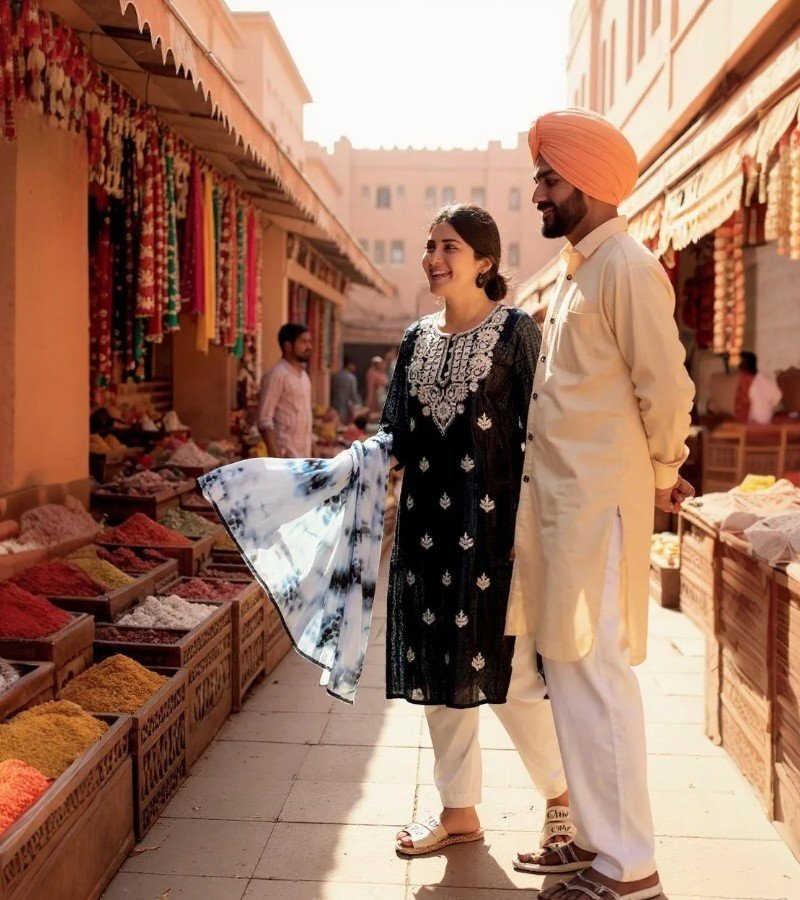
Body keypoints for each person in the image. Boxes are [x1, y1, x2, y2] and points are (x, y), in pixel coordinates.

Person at [510, 109, 695, 900]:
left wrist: (662, 472)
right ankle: (592, 838)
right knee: (571, 678)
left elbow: (669, 385)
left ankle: (633, 868)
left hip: (599, 512)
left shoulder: (625, 265)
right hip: (562, 510)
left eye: (547, 181)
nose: (538, 195)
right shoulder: (582, 269)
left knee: (599, 679)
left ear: (583, 182)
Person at [381, 204, 572, 858]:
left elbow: (545, 432)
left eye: (449, 246)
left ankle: (561, 801)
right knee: (440, 676)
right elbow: (398, 433)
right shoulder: (414, 340)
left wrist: (539, 525)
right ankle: (458, 811)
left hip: (499, 535)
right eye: (429, 244)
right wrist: (351, 467)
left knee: (513, 679)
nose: (434, 257)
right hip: (426, 530)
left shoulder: (518, 334)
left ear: (484, 261)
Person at [257, 323, 313, 459]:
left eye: (309, 341)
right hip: (285, 457)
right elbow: (264, 421)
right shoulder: (277, 375)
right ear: (288, 346)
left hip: (303, 457)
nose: (309, 346)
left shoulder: (304, 376)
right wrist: (276, 456)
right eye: (303, 342)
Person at [737, 351, 782, 424]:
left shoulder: (747, 379)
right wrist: (770, 406)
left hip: (757, 417)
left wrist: (769, 406)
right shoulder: (762, 377)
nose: (738, 365)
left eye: (741, 362)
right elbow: (778, 395)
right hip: (765, 416)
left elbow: (778, 395)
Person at [330, 357, 363, 423]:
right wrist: (359, 403)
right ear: (349, 365)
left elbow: (332, 389)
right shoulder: (351, 377)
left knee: (336, 419)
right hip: (346, 402)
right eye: (353, 365)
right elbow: (353, 393)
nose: (354, 367)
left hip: (335, 401)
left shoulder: (336, 375)